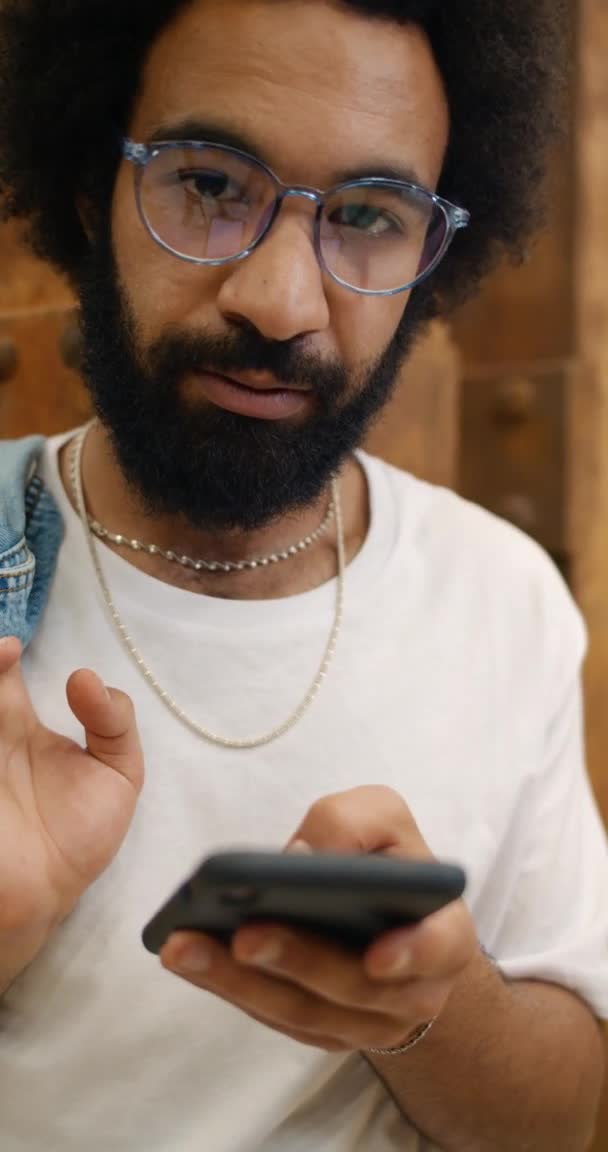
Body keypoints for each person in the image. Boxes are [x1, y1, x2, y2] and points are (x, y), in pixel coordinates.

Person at [0, 1, 606, 1149]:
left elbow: (561, 1119)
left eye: (369, 216)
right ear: (94, 193)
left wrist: (431, 1004)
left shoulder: (504, 596)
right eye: (211, 186)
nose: (280, 303)